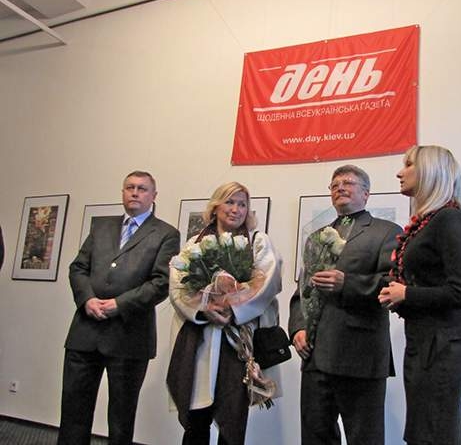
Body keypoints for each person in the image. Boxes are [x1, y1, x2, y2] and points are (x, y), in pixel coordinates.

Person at [58, 171, 180, 445]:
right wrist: (87, 299)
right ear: (123, 192)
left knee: (121, 419)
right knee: (74, 411)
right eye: (130, 187)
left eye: (142, 188)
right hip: (85, 332)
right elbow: (78, 268)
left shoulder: (166, 234)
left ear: (154, 196)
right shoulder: (101, 227)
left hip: (129, 337)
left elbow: (161, 282)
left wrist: (119, 304)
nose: (135, 192)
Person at [288, 165, 401, 445]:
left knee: (365, 438)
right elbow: (302, 291)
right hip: (315, 354)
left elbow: (392, 284)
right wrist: (298, 328)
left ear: (366, 193)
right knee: (315, 437)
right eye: (335, 184)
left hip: (361, 354)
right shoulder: (317, 236)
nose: (340, 187)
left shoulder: (387, 232)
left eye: (348, 182)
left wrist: (346, 283)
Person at [167, 182, 282, 445]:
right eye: (230, 202)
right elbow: (178, 285)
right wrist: (203, 309)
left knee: (233, 416)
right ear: (216, 206)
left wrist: (233, 309)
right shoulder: (194, 243)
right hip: (200, 337)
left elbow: (268, 283)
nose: (236, 209)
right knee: (197, 417)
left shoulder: (258, 241)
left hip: (237, 340)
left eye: (242, 204)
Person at [378, 145, 461, 445]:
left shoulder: (449, 220)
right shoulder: (431, 221)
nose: (400, 172)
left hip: (442, 342)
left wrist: (407, 294)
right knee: (427, 428)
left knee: (434, 430)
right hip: (426, 339)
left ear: (431, 172)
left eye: (409, 165)